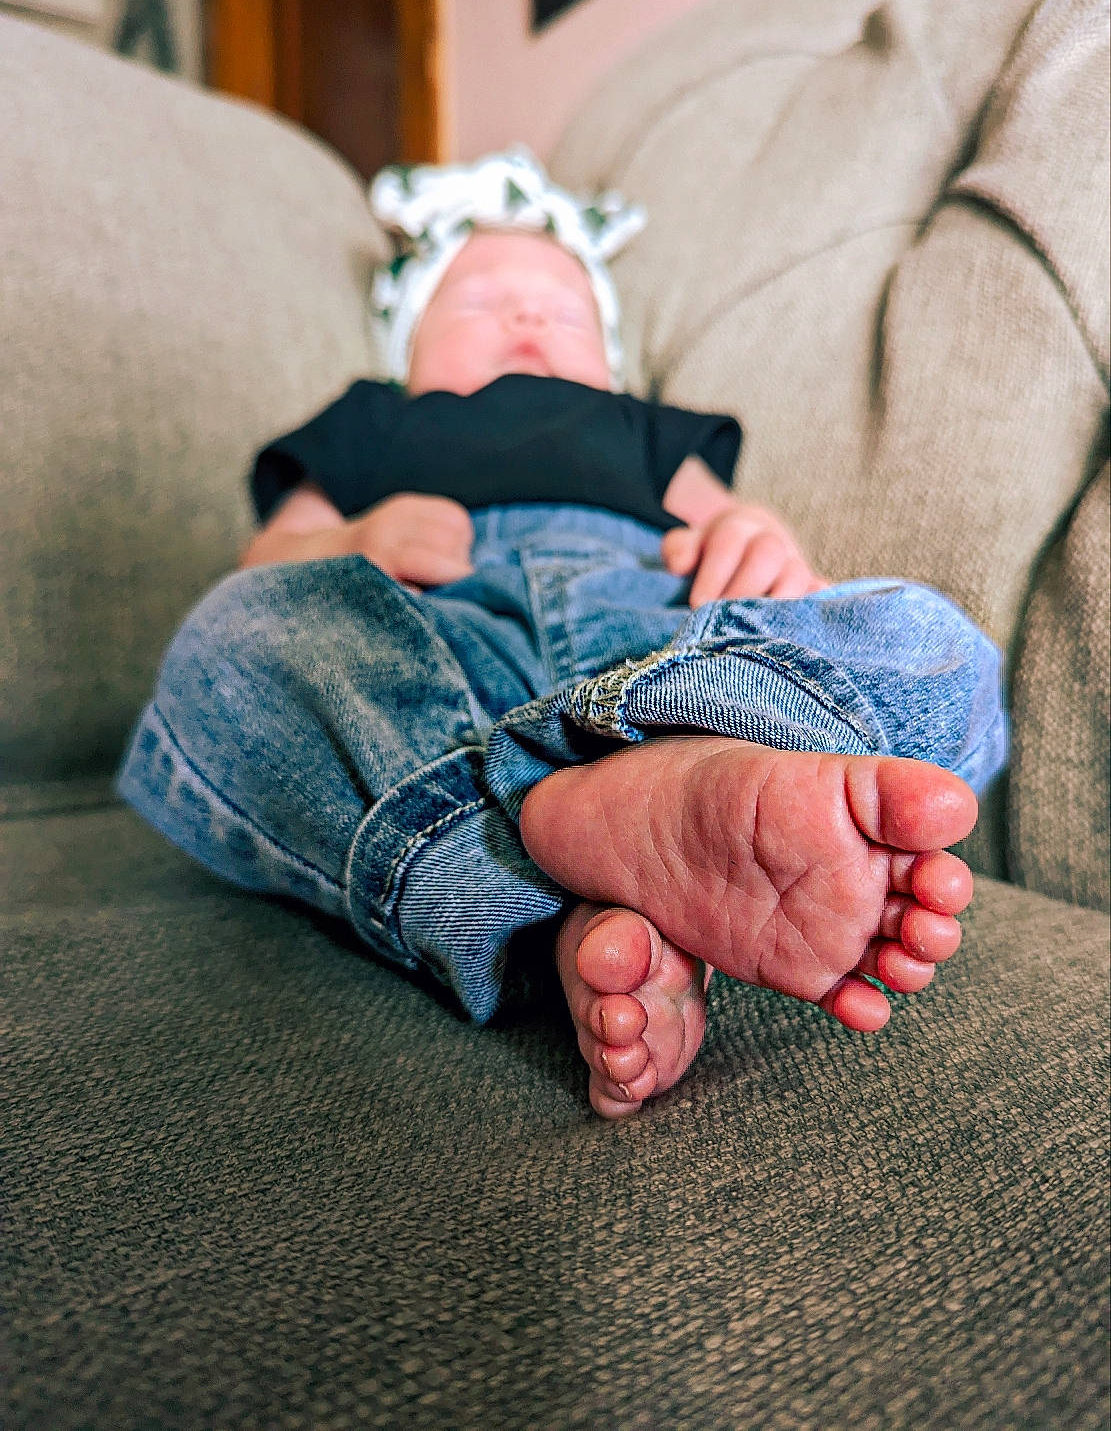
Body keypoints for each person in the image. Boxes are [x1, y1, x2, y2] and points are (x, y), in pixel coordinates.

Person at [117, 149, 1006, 1120]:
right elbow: (271, 559)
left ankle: (611, 819)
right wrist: (354, 537)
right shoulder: (374, 422)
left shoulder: (641, 427)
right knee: (233, 642)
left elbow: (735, 521)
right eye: (479, 303)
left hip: (664, 641)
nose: (528, 318)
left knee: (931, 637)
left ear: (608, 349)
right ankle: (596, 865)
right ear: (405, 342)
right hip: (440, 647)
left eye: (564, 308)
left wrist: (758, 536)